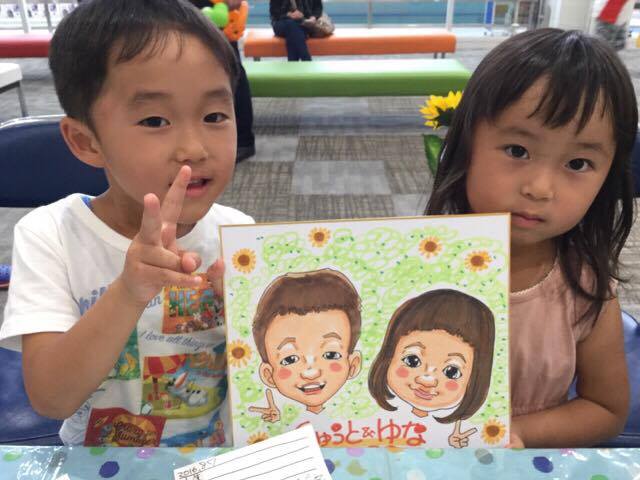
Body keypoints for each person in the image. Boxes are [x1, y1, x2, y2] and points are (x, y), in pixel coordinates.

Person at [0, 0, 254, 447]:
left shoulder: (237, 232)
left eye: (215, 116)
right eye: (155, 120)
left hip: (214, 459)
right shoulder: (50, 236)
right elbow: (51, 399)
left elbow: (264, 372)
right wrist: (128, 292)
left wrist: (247, 317)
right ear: (86, 141)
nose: (194, 148)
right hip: (98, 463)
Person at [426, 28, 637, 447]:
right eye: (517, 151)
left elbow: (606, 409)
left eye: (578, 163)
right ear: (466, 143)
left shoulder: (585, 287)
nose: (540, 188)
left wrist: (519, 431)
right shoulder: (413, 259)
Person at [368, 289, 495, 448]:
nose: (426, 380)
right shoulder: (371, 414)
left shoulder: (455, 427)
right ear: (389, 355)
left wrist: (454, 444)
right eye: (412, 360)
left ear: (474, 378)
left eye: (451, 371)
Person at [249, 269, 362, 419]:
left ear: (353, 365)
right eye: (290, 359)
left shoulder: (358, 413)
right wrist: (274, 424)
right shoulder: (280, 417)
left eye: (330, 354)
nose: (311, 373)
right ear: (268, 375)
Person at [189, 0, 255, 162]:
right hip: (185, 13)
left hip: (219, 15)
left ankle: (243, 141)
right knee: (195, 80)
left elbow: (234, 3)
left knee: (231, 76)